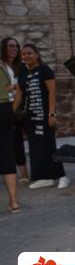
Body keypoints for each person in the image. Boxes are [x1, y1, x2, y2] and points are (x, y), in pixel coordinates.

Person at [12, 44, 70, 190]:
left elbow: (51, 93)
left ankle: (62, 176)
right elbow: (19, 94)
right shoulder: (22, 72)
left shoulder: (45, 70)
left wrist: (51, 114)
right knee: (35, 148)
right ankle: (44, 178)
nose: (26, 56)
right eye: (23, 54)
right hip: (29, 118)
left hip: (44, 115)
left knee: (48, 145)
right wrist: (11, 112)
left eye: (29, 53)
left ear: (37, 55)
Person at [1, 37, 28, 183]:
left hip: (20, 107)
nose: (14, 49)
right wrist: (11, 88)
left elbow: (23, 87)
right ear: (3, 48)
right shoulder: (1, 66)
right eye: (11, 46)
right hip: (4, 106)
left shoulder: (21, 66)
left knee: (17, 139)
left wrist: (14, 88)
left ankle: (24, 174)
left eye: (16, 47)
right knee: (7, 141)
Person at [0, 59, 19, 213]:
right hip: (4, 109)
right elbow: (11, 88)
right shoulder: (3, 66)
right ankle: (13, 202)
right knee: (7, 155)